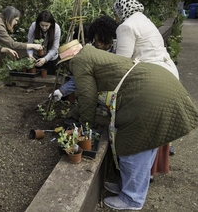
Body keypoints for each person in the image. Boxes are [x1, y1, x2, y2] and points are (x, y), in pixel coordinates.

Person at [56, 40, 198, 210]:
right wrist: (77, 113)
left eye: (64, 65)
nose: (66, 69)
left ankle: (132, 198)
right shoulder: (90, 54)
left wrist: (85, 129)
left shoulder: (78, 61)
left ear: (67, 62)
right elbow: (92, 93)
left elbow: (87, 97)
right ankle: (128, 187)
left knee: (133, 147)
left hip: (149, 95)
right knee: (147, 145)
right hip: (157, 83)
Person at [112, 0, 178, 174]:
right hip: (169, 73)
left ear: (120, 12)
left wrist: (112, 94)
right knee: (157, 128)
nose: (116, 18)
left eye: (116, 15)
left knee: (143, 129)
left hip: (152, 80)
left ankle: (140, 179)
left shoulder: (126, 26)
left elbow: (122, 64)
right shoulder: (145, 20)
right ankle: (149, 173)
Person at [49, 15, 118, 103]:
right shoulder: (90, 52)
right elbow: (81, 75)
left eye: (101, 40)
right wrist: (61, 91)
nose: (98, 44)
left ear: (110, 39)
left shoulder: (118, 52)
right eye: (96, 40)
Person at [27, 10, 61, 74]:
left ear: (51, 24)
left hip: (50, 59)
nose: (44, 28)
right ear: (38, 23)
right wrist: (30, 55)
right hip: (35, 58)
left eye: (47, 25)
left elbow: (55, 48)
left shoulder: (56, 29)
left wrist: (45, 59)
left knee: (49, 80)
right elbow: (29, 44)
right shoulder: (33, 26)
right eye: (42, 25)